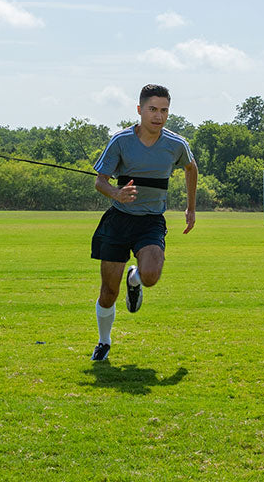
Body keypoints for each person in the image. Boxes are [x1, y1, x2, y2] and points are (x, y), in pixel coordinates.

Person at [90, 84, 198, 361]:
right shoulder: (121, 141)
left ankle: (134, 279)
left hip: (150, 220)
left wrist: (190, 208)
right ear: (140, 110)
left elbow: (191, 168)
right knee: (108, 292)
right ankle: (104, 342)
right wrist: (117, 193)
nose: (158, 116)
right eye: (152, 109)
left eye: (164, 110)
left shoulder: (176, 144)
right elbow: (100, 181)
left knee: (151, 276)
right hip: (118, 220)